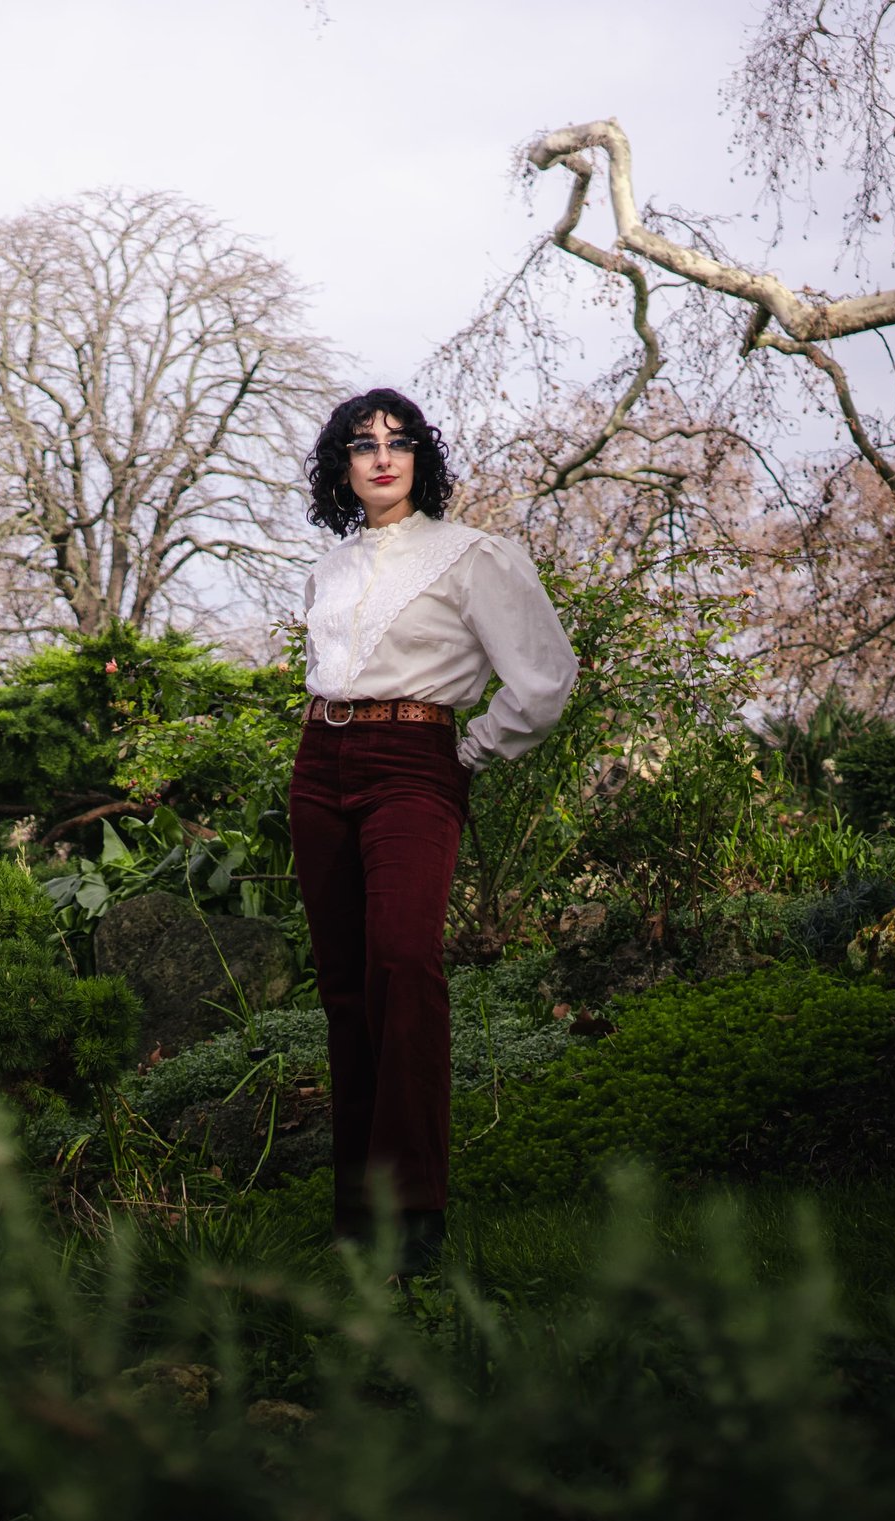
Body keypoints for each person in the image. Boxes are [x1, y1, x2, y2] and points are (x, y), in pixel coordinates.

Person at [291, 388, 578, 1278]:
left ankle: (416, 1212)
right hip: (318, 763)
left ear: (422, 459)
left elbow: (543, 677)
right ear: (342, 466)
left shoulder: (471, 556)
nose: (382, 457)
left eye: (400, 442)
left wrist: (471, 752)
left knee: (405, 968)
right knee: (344, 987)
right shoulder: (329, 570)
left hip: (414, 760)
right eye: (362, 444)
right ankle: (358, 1209)